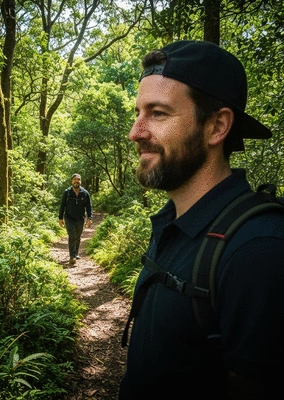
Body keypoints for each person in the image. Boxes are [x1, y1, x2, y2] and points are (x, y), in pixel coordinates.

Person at [119, 40, 284, 399]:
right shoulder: (172, 222)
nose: (136, 131)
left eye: (158, 113)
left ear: (217, 127)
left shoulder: (258, 251)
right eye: (138, 112)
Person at [58, 173, 92, 265]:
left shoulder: (85, 193)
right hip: (69, 218)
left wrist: (89, 218)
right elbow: (62, 206)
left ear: (80, 181)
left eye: (78, 180)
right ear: (72, 181)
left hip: (80, 218)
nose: (77, 181)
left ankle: (76, 253)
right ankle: (72, 256)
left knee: (77, 236)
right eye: (75, 180)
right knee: (72, 236)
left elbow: (89, 206)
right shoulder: (67, 192)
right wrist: (60, 218)